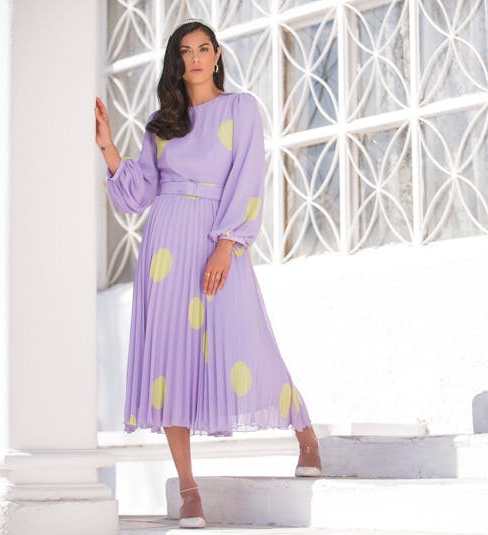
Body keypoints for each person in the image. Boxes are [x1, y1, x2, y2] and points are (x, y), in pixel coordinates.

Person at [94, 17, 322, 529]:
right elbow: (138, 195)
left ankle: (304, 430)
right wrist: (108, 146)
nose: (195, 57)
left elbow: (248, 176)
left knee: (248, 338)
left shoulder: (241, 109)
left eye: (203, 48)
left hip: (219, 237)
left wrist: (226, 244)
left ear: (217, 55)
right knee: (169, 361)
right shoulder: (161, 123)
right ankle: (190, 492)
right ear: (177, 60)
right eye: (186, 50)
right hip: (165, 247)